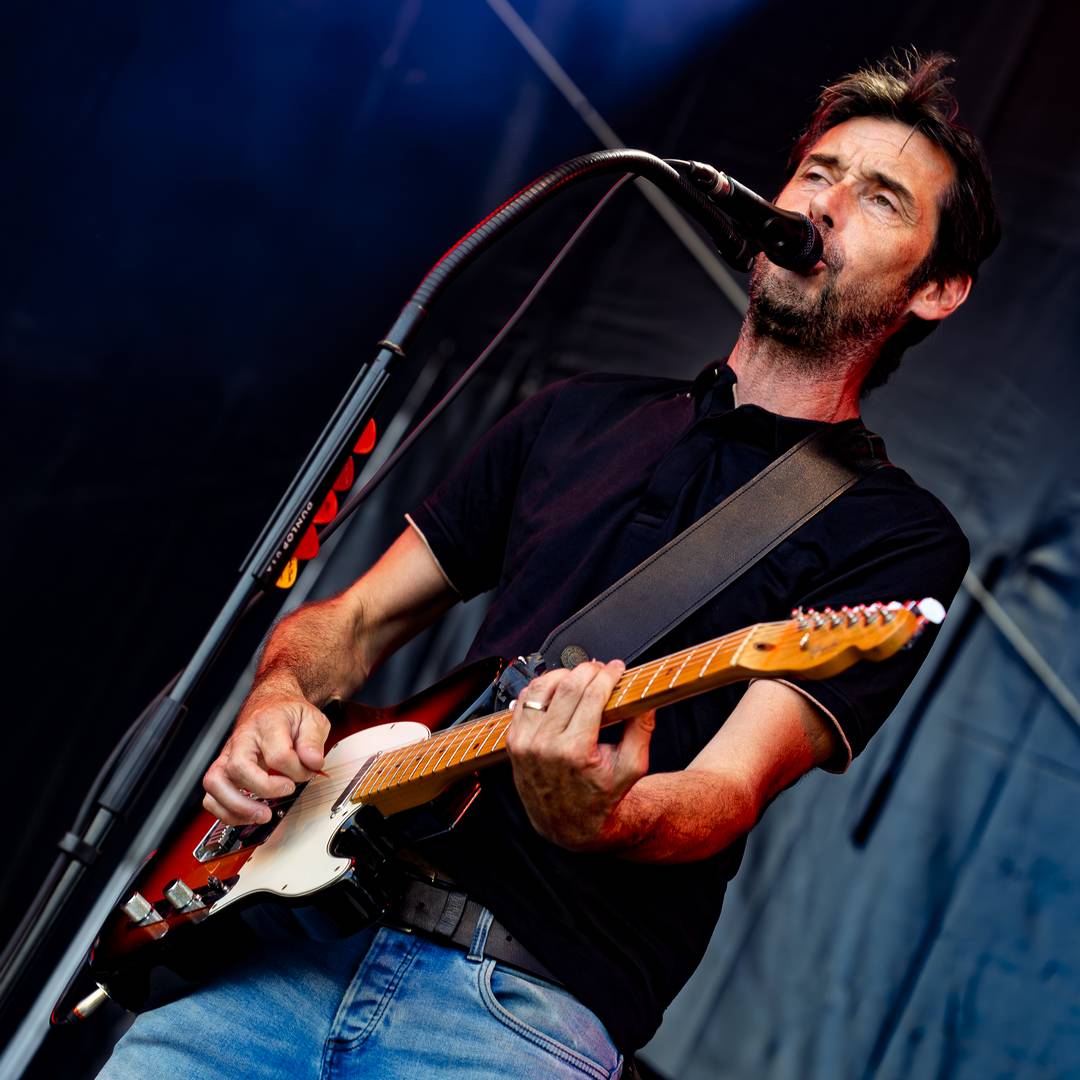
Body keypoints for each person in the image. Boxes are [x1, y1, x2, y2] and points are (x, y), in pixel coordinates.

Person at [100, 50, 999, 1079]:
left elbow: (725, 791)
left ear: (938, 289)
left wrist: (609, 813)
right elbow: (347, 625)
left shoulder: (894, 535)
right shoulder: (576, 415)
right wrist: (277, 698)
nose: (824, 206)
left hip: (509, 1017)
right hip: (275, 955)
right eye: (817, 173)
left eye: (880, 198)